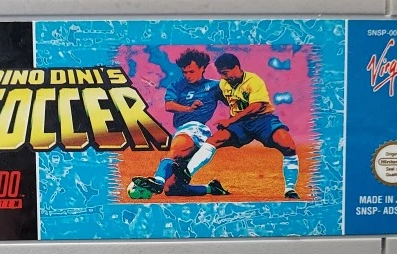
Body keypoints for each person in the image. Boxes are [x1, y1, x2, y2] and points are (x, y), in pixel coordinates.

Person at [179, 52, 300, 199]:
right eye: (220, 74)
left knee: (288, 146)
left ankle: (290, 189)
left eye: (225, 73)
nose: (223, 77)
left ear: (236, 67)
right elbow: (223, 98)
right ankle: (186, 173)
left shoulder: (254, 81)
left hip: (262, 119)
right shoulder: (224, 84)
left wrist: (230, 121)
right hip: (240, 123)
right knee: (213, 141)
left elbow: (256, 106)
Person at [129, 48, 228, 198]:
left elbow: (233, 101)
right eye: (185, 72)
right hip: (182, 130)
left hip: (196, 128)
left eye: (192, 71)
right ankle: (212, 188)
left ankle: (157, 181)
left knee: (173, 153)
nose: (188, 75)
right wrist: (188, 108)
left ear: (203, 68)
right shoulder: (177, 85)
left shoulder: (215, 86)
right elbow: (169, 105)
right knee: (173, 189)